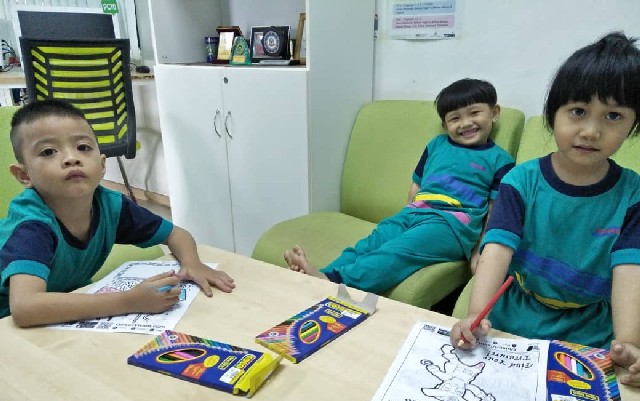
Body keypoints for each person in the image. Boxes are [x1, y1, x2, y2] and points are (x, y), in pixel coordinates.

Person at [450, 32, 640, 387]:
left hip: (590, 329)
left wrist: (629, 343)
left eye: (613, 115)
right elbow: (496, 250)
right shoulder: (520, 181)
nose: (591, 131)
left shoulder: (634, 196)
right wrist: (475, 314)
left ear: (633, 124)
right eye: (578, 111)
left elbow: (631, 270)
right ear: (554, 114)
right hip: (516, 314)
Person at [0, 99, 235, 327]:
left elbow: (176, 234)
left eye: (83, 147)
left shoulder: (110, 205)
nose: (72, 158)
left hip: (65, 302)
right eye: (49, 151)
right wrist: (129, 301)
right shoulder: (32, 226)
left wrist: (192, 264)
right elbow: (24, 307)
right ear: (24, 175)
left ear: (103, 165)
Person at [285, 78, 515, 294]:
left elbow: (494, 211)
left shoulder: (500, 160)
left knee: (396, 252)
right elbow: (416, 185)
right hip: (414, 213)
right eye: (455, 118)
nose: (466, 123)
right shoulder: (437, 144)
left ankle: (335, 282)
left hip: (451, 226)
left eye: (474, 113)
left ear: (494, 113)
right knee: (370, 243)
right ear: (445, 125)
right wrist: (405, 215)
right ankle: (321, 276)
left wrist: (479, 252)